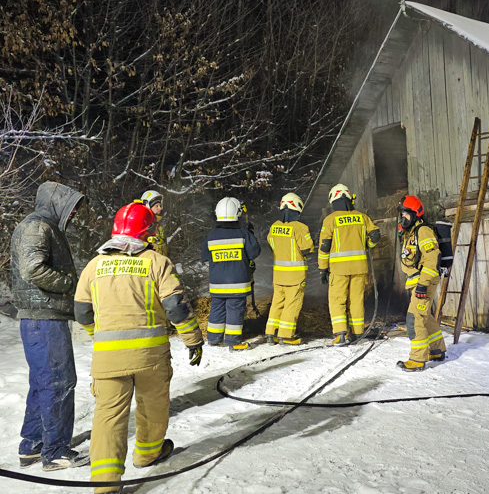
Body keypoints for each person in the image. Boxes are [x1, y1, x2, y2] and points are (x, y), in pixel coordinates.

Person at [74, 202, 203, 493]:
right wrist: (193, 340)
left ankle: (106, 485)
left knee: (108, 416)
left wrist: (100, 334)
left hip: (107, 359)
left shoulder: (94, 265)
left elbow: (82, 312)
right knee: (153, 407)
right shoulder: (156, 261)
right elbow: (176, 308)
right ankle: (147, 454)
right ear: (148, 232)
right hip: (150, 357)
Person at [9, 181, 89, 470]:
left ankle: (32, 444)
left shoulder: (41, 226)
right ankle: (55, 451)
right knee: (58, 382)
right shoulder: (38, 227)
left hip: (41, 318)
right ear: (57, 202)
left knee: (42, 384)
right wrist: (71, 285)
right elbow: (33, 269)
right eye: (72, 207)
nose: (75, 213)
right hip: (44, 318)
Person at [318, 184, 380, 346]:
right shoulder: (362, 217)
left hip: (339, 269)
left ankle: (341, 334)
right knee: (356, 299)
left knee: (337, 299)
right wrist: (367, 245)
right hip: (360, 268)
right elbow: (375, 236)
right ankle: (358, 332)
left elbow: (324, 246)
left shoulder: (330, 220)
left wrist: (323, 268)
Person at [201, 197, 260, 351]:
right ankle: (233, 341)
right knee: (235, 309)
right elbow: (254, 253)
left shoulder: (211, 235)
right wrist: (250, 233)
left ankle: (213, 338)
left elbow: (206, 259)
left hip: (217, 283)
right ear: (237, 214)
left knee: (217, 308)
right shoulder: (243, 233)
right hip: (238, 283)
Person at [395, 195, 446, 372]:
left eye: (406, 214)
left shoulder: (423, 231)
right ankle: (437, 349)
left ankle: (417, 359)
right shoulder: (411, 233)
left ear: (416, 213)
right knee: (426, 317)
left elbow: (433, 258)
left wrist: (423, 285)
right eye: (401, 214)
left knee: (414, 319)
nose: (403, 218)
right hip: (418, 282)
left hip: (424, 282)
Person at [265, 193, 314, 345]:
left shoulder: (274, 227)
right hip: (295, 276)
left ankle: (270, 333)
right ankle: (286, 335)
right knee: (292, 304)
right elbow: (308, 248)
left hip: (278, 275)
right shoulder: (300, 227)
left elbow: (271, 243)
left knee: (277, 303)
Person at [140, 190, 168, 256]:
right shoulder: (141, 225)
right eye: (157, 206)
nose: (160, 208)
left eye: (160, 205)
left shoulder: (159, 226)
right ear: (148, 206)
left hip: (158, 263)